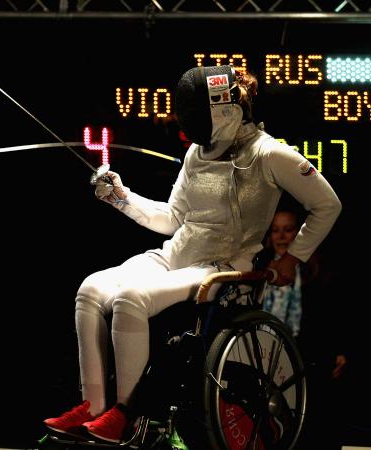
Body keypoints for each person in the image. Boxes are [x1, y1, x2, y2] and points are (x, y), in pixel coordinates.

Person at [43, 65, 342, 443]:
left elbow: (328, 205)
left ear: (225, 112)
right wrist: (122, 198)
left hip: (222, 268)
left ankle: (130, 415)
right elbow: (173, 218)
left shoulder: (270, 154)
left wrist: (292, 257)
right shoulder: (196, 155)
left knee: (130, 299)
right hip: (176, 256)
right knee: (90, 290)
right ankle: (94, 406)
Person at [260, 208, 349, 450]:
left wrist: (340, 349)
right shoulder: (259, 269)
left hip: (308, 355)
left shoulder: (318, 270)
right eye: (276, 230)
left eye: (287, 230)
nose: (281, 236)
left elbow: (335, 314)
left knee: (314, 423)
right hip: (266, 358)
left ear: (298, 233)